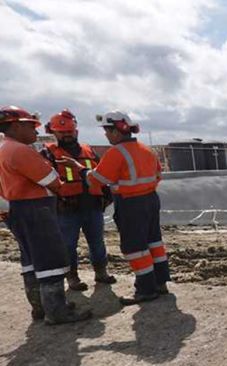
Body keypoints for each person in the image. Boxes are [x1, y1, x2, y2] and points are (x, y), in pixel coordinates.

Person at [60, 111, 170, 305]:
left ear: (116, 132)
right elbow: (158, 176)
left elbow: (99, 179)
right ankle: (160, 283)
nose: (106, 135)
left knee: (135, 247)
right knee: (154, 242)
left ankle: (146, 289)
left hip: (130, 203)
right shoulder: (146, 149)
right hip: (151, 200)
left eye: (107, 131)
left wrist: (81, 169)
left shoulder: (117, 152)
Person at [0, 105, 92, 324]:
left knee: (31, 259)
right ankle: (57, 311)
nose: (36, 131)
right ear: (15, 126)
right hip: (36, 210)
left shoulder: (4, 148)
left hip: (17, 210)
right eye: (31, 126)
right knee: (50, 259)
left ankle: (40, 307)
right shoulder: (20, 151)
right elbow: (52, 180)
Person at [41, 109, 116, 291]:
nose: (67, 135)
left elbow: (101, 174)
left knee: (97, 242)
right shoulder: (48, 153)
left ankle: (101, 272)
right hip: (66, 209)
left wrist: (107, 196)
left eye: (70, 131)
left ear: (76, 131)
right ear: (54, 132)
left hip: (92, 205)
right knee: (68, 245)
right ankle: (72, 277)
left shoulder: (88, 151)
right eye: (62, 132)